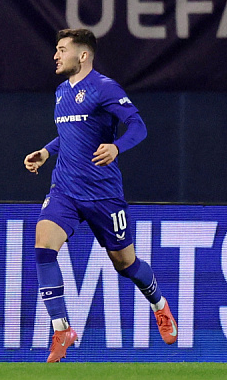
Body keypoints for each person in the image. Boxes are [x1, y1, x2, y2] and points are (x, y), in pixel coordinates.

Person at [24, 28, 177, 363]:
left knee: (126, 265)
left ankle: (160, 305)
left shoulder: (104, 88)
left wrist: (117, 147)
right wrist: (47, 152)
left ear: (83, 55)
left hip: (103, 194)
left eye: (62, 49)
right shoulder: (61, 92)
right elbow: (69, 132)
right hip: (64, 189)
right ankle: (61, 329)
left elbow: (138, 126)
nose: (55, 55)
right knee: (42, 247)